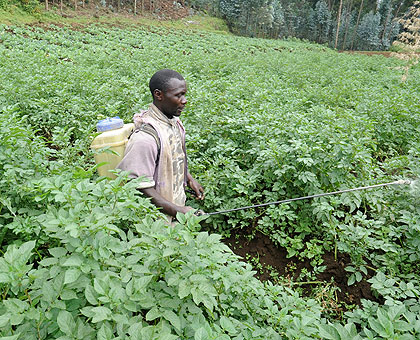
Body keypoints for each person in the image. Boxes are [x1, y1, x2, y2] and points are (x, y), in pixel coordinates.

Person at [117, 69, 204, 218]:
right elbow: (141, 187)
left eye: (184, 94)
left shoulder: (174, 123)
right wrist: (178, 211)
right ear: (158, 95)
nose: (184, 100)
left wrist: (188, 178)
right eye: (178, 95)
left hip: (174, 211)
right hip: (154, 222)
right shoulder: (145, 138)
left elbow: (173, 156)